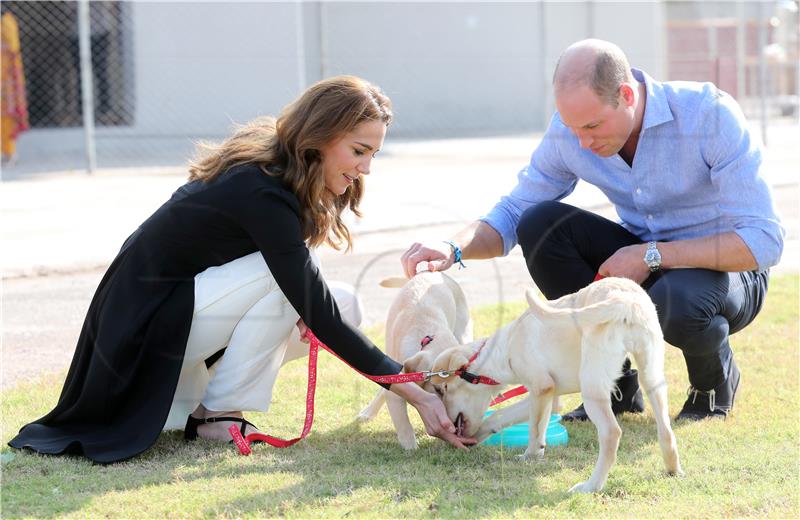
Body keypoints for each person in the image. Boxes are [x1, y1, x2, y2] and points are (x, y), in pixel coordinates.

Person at [9, 76, 474, 463]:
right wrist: (412, 388)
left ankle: (205, 400)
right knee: (299, 286)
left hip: (178, 317)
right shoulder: (261, 187)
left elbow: (323, 308)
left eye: (373, 154)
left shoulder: (280, 177)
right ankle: (216, 416)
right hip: (140, 330)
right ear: (321, 137)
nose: (367, 168)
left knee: (344, 302)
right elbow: (312, 306)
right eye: (359, 151)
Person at [401, 39, 784, 422]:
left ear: (627, 95)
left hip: (728, 270)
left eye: (593, 125)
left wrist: (652, 255)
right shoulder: (572, 131)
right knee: (539, 224)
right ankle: (615, 386)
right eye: (572, 128)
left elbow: (763, 241)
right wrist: (452, 248)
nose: (582, 141)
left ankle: (711, 389)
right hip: (642, 254)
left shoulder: (709, 116)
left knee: (676, 302)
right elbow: (516, 209)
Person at [1, 8, 30, 165]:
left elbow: (12, 48)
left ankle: (9, 152)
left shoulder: (6, 21)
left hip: (5, 77)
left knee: (6, 115)